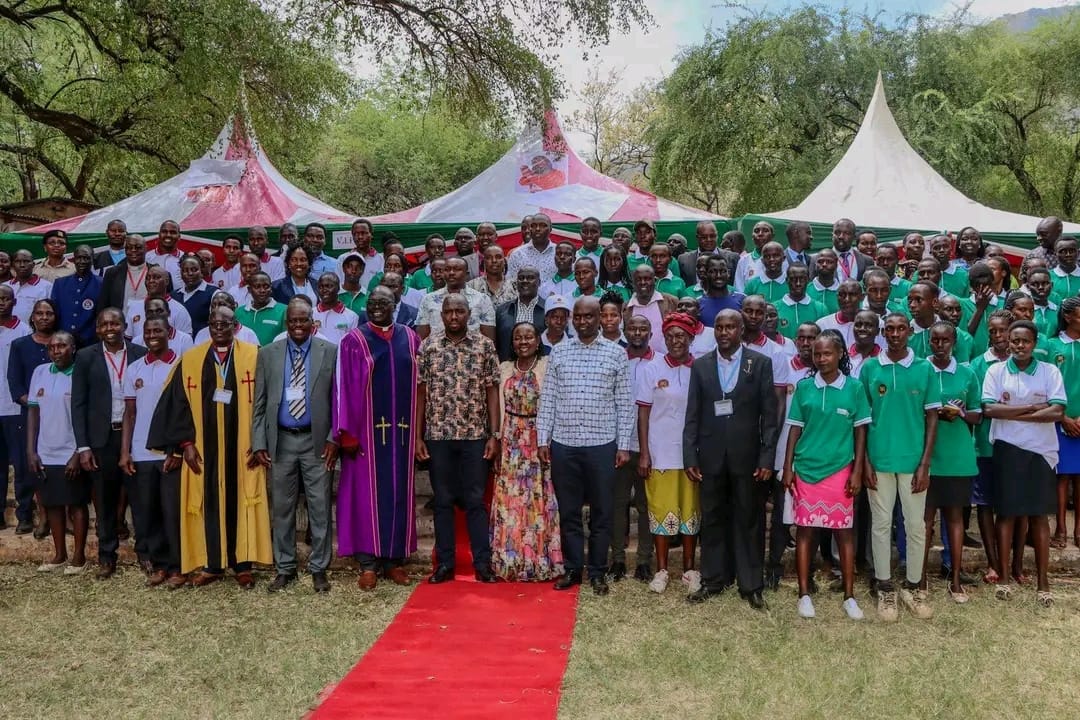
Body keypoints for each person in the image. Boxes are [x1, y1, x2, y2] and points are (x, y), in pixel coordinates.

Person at [147, 306, 271, 588]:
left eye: (224, 324)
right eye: (214, 323)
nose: (218, 328)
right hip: (203, 449)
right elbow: (176, 404)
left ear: (235, 325)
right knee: (208, 505)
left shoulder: (254, 356)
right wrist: (185, 445)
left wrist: (259, 441)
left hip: (242, 448)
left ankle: (242, 565)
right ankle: (213, 565)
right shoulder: (191, 359)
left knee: (242, 502)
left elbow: (266, 401)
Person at [538, 296, 634, 596]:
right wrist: (543, 438)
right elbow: (549, 398)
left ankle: (597, 572)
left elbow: (625, 402)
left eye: (588, 317)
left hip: (602, 445)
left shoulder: (616, 354)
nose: (582, 322)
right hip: (564, 444)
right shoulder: (559, 352)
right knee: (568, 512)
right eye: (577, 317)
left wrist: (624, 445)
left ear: (601, 318)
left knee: (603, 513)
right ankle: (572, 569)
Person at [684, 309, 778, 609]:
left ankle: (751, 584)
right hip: (710, 457)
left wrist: (766, 458)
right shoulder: (700, 366)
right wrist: (690, 455)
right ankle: (714, 579)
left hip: (748, 459)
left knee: (749, 520)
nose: (723, 332)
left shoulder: (760, 364)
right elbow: (693, 414)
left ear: (741, 330)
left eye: (730, 327)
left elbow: (770, 417)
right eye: (719, 327)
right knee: (712, 519)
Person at [333, 286, 421, 590]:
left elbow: (420, 386)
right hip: (365, 437)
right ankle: (368, 563)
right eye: (372, 303)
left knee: (397, 493)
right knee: (365, 497)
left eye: (384, 302)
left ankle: (393, 560)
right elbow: (344, 388)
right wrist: (346, 433)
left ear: (396, 305)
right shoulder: (354, 341)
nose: (377, 307)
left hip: (402, 435)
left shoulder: (410, 339)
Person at [252, 298, 338, 594]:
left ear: (313, 322)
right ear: (286, 323)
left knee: (319, 506)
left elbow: (337, 400)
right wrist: (258, 442)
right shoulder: (268, 353)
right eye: (293, 321)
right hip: (282, 440)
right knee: (282, 508)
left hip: (317, 441)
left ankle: (318, 569)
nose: (298, 326)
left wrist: (333, 437)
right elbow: (259, 403)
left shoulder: (330, 352)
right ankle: (285, 567)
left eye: (303, 321)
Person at [782, 330, 870, 620]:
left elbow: (860, 431)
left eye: (827, 353)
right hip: (806, 469)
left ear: (841, 354)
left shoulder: (854, 388)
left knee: (844, 534)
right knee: (805, 532)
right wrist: (787, 468)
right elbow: (794, 430)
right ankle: (804, 594)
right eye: (817, 354)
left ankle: (849, 596)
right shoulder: (805, 387)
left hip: (840, 468)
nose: (821, 358)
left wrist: (857, 471)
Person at [860, 313, 939, 622]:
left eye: (900, 329)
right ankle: (885, 588)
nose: (894, 334)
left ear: (909, 331)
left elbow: (932, 418)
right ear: (883, 332)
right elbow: (862, 420)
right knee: (880, 525)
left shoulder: (923, 368)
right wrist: (865, 460)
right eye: (889, 329)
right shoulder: (870, 367)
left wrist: (925, 463)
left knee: (915, 525)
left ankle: (915, 586)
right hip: (879, 460)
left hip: (913, 461)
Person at [416, 294, 500, 584]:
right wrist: (418, 437)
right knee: (442, 501)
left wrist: (495, 434)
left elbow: (492, 391)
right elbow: (421, 393)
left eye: (459, 311)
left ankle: (483, 564)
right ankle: (445, 564)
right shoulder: (428, 346)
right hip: (438, 435)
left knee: (475, 501)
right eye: (449, 311)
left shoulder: (484, 346)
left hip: (475, 435)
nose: (454, 316)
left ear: (469, 314)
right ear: (441, 315)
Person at [982, 320, 1065, 607]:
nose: (1019, 346)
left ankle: (1043, 582)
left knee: (1039, 517)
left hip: (1041, 451)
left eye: (1025, 341)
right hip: (1008, 448)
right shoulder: (996, 370)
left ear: (1034, 342)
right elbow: (990, 408)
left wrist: (1012, 413)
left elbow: (1056, 411)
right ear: (1007, 340)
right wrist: (1033, 408)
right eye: (1014, 340)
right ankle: (1003, 579)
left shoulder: (1049, 371)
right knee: (1006, 515)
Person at [72, 308, 148, 579]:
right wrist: (83, 447)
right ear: (97, 329)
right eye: (104, 324)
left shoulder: (140, 353)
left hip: (135, 436)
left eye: (115, 323)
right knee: (104, 501)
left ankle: (146, 553)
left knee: (140, 499)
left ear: (124, 325)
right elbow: (78, 404)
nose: (110, 328)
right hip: (101, 439)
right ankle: (107, 557)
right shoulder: (84, 357)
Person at [489, 322, 563, 581]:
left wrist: (548, 439)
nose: (523, 341)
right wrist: (496, 438)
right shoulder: (504, 369)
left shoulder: (547, 365)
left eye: (528, 337)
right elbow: (496, 407)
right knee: (510, 499)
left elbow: (554, 403)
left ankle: (539, 560)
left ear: (537, 340)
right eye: (518, 337)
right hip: (510, 440)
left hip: (538, 439)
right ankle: (510, 560)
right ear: (512, 342)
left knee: (537, 499)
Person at [119, 316, 185, 588]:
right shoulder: (134, 369)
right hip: (141, 452)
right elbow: (130, 414)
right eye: (147, 331)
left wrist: (178, 450)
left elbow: (185, 413)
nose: (152, 335)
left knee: (173, 512)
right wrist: (125, 451)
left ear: (169, 332)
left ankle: (178, 566)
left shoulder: (180, 366)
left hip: (169, 453)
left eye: (158, 330)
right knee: (149, 511)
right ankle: (158, 565)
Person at [637, 313, 701, 594]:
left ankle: (689, 570)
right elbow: (643, 412)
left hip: (691, 454)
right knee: (660, 511)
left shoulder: (701, 368)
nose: (676, 341)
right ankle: (661, 570)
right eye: (671, 336)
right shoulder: (652, 368)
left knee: (690, 513)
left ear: (691, 338)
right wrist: (644, 453)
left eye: (682, 336)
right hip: (660, 451)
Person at [921, 322, 982, 604]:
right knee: (924, 520)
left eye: (946, 340)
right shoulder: (921, 370)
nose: (940, 344)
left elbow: (978, 416)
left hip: (958, 457)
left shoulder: (967, 373)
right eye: (935, 340)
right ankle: (919, 578)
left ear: (954, 342)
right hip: (926, 457)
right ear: (929, 342)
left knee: (955, 518)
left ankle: (955, 578)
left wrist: (959, 413)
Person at [26, 331, 88, 575]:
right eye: (52, 347)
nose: (56, 351)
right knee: (52, 504)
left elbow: (86, 416)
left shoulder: (81, 373)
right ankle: (59, 554)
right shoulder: (40, 372)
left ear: (73, 348)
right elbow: (33, 412)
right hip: (45, 451)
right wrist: (31, 450)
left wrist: (77, 452)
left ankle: (79, 557)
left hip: (72, 451)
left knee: (76, 503)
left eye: (62, 346)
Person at [767, 321, 819, 589]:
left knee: (811, 519)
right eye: (802, 338)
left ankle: (808, 572)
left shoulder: (826, 373)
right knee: (781, 517)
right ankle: (773, 568)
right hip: (783, 455)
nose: (807, 343)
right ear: (795, 341)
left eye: (812, 338)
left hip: (816, 457)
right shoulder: (784, 366)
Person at [6, 298, 58, 535]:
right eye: (40, 313)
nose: (44, 317)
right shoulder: (20, 345)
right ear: (33, 317)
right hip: (30, 415)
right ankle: (35, 515)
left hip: (61, 415)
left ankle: (61, 516)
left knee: (59, 465)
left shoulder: (63, 342)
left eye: (49, 313)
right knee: (29, 464)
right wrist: (37, 404)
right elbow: (15, 385)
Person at [969, 310, 1012, 583]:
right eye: (993, 331)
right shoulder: (977, 364)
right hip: (985, 443)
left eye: (1002, 331)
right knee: (984, 504)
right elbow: (980, 407)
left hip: (1015, 444)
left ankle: (1011, 563)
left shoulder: (1021, 363)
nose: (997, 336)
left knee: (1010, 504)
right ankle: (992, 562)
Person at [611, 314, 654, 582]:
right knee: (617, 505)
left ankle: (644, 561)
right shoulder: (615, 358)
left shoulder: (659, 362)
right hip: (618, 444)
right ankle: (616, 559)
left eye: (643, 328)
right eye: (632, 328)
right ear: (625, 331)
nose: (637, 332)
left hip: (647, 446)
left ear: (650, 332)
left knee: (645, 506)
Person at [1048, 296, 1080, 550]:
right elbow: (1047, 386)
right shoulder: (1051, 345)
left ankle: (1078, 528)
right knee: (1062, 476)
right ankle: (1060, 527)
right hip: (1060, 419)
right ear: (1068, 317)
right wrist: (1063, 417)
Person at [0, 285, 29, 530]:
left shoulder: (23, 332)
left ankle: (25, 515)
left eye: (5, 299)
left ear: (14, 301)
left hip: (13, 408)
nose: (1, 302)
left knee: (21, 465)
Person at [417, 257, 496, 341]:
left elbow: (489, 340)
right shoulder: (428, 299)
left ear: (467, 274)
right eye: (447, 269)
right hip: (437, 352)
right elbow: (422, 339)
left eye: (456, 269)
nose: (451, 273)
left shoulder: (482, 299)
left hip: (473, 352)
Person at [50, 244, 101, 347]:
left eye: (86, 258)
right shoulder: (60, 284)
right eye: (79, 258)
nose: (82, 261)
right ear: (74, 259)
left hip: (90, 342)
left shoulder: (102, 283)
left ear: (92, 259)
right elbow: (55, 313)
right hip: (63, 341)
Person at [124, 266, 192, 342]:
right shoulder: (134, 307)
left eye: (156, 277)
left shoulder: (180, 310)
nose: (151, 281)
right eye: (148, 278)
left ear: (166, 281)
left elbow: (184, 341)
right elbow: (128, 340)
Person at [626, 264, 678, 355]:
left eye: (647, 279)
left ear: (655, 280)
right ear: (632, 282)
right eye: (638, 279)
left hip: (666, 361)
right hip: (635, 360)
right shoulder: (626, 307)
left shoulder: (671, 302)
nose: (643, 282)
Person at [679, 221, 741, 287]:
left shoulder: (733, 258)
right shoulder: (684, 260)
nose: (709, 240)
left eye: (712, 236)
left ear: (717, 235)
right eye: (704, 237)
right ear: (697, 238)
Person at [775, 264, 826, 340]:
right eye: (793, 279)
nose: (798, 283)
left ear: (808, 280)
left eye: (802, 279)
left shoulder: (820, 308)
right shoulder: (775, 308)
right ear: (786, 280)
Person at [236, 272, 286, 346]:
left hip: (272, 356)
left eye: (266, 286)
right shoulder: (238, 312)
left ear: (271, 288)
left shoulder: (284, 310)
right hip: (245, 357)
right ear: (249, 289)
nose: (262, 290)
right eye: (257, 287)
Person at [507, 214, 558, 283]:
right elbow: (511, 283)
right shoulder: (517, 254)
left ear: (551, 229)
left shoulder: (559, 253)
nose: (537, 229)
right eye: (533, 225)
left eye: (543, 225)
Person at [194, 292, 260, 346]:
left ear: (234, 307)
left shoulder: (248, 334)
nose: (216, 309)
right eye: (213, 306)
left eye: (221, 304)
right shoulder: (202, 334)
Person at [7, 249, 53, 323]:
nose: (22, 265)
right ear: (13, 265)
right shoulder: (4, 287)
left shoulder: (47, 287)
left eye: (26, 261)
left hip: (33, 333)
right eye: (18, 261)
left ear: (33, 264)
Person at [313, 272, 359, 344]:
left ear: (338, 288)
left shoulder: (352, 317)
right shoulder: (310, 314)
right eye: (321, 287)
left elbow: (352, 345)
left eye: (329, 286)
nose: (324, 290)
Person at [698, 256, 744, 326]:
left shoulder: (742, 300)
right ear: (706, 274)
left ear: (728, 273)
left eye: (723, 271)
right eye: (713, 271)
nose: (718, 276)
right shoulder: (698, 303)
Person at [174, 255, 215, 334]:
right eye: (185, 270)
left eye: (194, 270)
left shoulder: (213, 293)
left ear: (201, 271)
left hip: (202, 343)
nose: (190, 273)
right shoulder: (174, 295)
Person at [340, 219, 383, 290]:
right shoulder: (343, 259)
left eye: (363, 233)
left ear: (371, 234)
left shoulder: (381, 259)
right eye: (356, 234)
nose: (360, 237)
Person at [734, 220, 774, 291]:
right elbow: (739, 289)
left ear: (772, 236)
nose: (760, 234)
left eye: (765, 230)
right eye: (756, 231)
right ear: (752, 237)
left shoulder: (782, 260)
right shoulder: (744, 260)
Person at [146, 219, 184, 289]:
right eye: (164, 232)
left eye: (173, 232)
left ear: (179, 237)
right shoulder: (146, 257)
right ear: (159, 235)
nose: (168, 235)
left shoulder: (185, 259)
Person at [1024, 268, 1059, 338]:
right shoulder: (1023, 311)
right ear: (1028, 287)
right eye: (1035, 284)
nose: (1041, 287)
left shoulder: (1059, 311)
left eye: (1045, 283)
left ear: (1051, 285)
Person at [808, 248, 840, 313]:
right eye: (820, 261)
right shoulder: (806, 290)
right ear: (815, 264)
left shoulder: (843, 292)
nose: (824, 264)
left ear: (836, 264)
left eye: (829, 261)